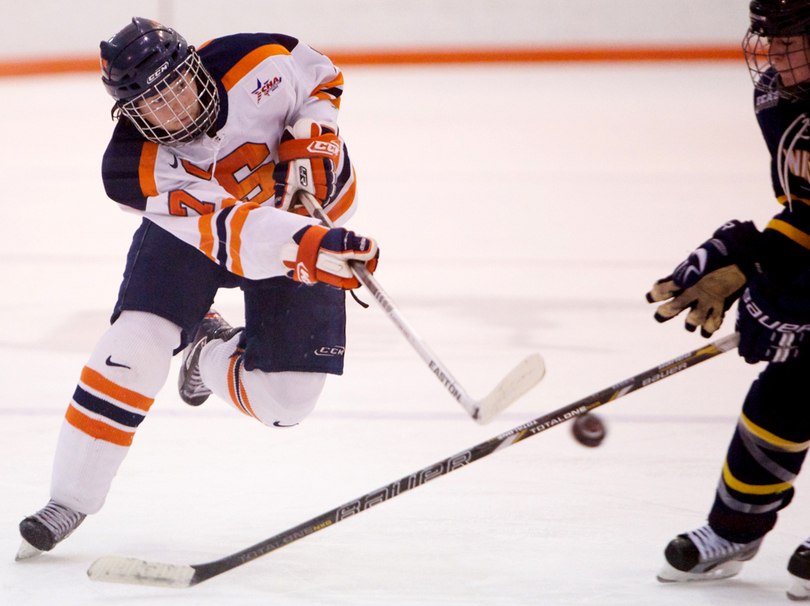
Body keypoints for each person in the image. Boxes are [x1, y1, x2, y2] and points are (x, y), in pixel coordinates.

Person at [16, 17, 379, 560]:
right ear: (131, 114)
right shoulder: (131, 168)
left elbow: (322, 78)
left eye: (178, 85)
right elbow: (230, 233)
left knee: (285, 404)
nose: (175, 108)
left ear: (194, 65)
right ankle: (70, 497)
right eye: (153, 105)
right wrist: (307, 248)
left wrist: (313, 136)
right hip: (200, 236)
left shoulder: (257, 59)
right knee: (135, 344)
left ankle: (205, 355)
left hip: (305, 215)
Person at [645, 0, 810, 598]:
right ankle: (734, 530)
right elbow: (809, 212)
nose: (774, 53)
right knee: (790, 385)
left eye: (793, 39)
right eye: (773, 38)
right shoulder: (783, 102)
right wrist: (752, 257)